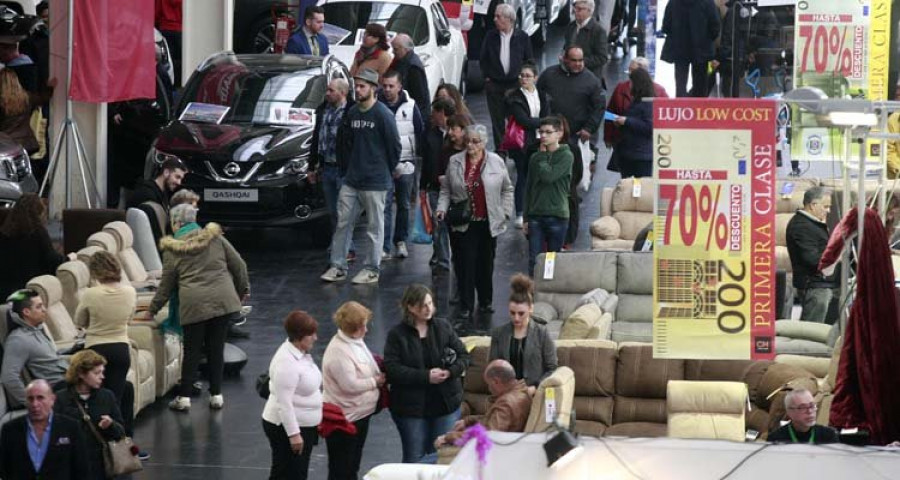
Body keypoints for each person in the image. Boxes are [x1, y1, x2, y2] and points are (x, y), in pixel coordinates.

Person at [139, 203, 250, 411]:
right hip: (222, 301)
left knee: (192, 350)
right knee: (216, 349)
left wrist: (151, 310)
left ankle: (184, 398)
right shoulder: (216, 237)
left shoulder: (174, 247)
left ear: (177, 223)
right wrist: (240, 291)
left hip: (194, 304)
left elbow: (167, 284)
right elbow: (240, 266)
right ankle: (217, 395)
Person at [320, 68, 401, 285]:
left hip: (375, 181)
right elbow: (345, 143)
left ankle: (372, 269)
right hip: (352, 179)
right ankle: (338, 266)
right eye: (356, 86)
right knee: (342, 224)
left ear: (374, 89)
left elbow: (395, 147)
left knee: (375, 228)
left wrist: (384, 169)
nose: (358, 90)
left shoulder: (383, 115)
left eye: (362, 86)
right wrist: (347, 170)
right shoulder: (353, 112)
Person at [384, 284, 470, 463]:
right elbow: (392, 370)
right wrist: (426, 376)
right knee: (414, 458)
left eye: (430, 303)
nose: (428, 308)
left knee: (440, 456)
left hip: (444, 405)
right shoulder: (397, 335)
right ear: (411, 307)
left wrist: (450, 372)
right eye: (423, 305)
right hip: (411, 409)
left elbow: (463, 356)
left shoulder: (442, 327)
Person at [436, 125, 514, 319]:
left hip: (488, 222)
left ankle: (486, 301)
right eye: (468, 141)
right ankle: (466, 305)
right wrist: (441, 208)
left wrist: (505, 212)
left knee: (486, 264)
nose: (471, 145)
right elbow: (446, 190)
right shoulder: (454, 162)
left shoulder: (496, 161)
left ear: (484, 142)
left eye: (476, 141)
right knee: (465, 265)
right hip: (463, 223)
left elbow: (507, 189)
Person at [74, 251, 136, 434]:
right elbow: (129, 319)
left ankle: (97, 443)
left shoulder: (90, 294)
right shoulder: (130, 292)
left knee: (95, 399)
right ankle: (122, 445)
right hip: (121, 350)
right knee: (114, 400)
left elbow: (79, 321)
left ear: (95, 271)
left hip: (95, 350)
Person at [321, 301, 384, 480]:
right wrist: (375, 381)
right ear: (351, 328)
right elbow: (350, 386)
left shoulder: (354, 340)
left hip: (360, 414)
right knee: (342, 469)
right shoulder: (338, 353)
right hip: (346, 419)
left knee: (352, 464)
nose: (366, 330)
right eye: (362, 326)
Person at [262, 311, 322, 480]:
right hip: (285, 428)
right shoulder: (286, 363)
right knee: (286, 474)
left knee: (297, 473)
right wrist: (294, 434)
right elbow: (284, 403)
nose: (315, 338)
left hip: (301, 425)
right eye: (311, 335)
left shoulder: (298, 353)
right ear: (299, 336)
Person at [53, 350, 129, 480]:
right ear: (81, 374)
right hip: (72, 466)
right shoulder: (60, 399)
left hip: (100, 466)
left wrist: (110, 425)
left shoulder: (107, 396)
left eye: (102, 372)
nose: (102, 377)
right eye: (97, 373)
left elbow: (121, 433)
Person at [0, 380, 91, 480]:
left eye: (40, 398)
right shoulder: (10, 429)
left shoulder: (71, 427)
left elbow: (81, 469)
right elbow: (5, 469)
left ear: (52, 399)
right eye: (30, 399)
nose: (35, 404)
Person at [379, 70, 426, 260]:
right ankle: (384, 246)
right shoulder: (377, 105)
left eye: (392, 86)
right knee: (385, 205)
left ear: (400, 86)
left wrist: (418, 160)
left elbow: (419, 131)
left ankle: (400, 241)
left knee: (405, 204)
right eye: (385, 86)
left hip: (406, 161)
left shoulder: (411, 105)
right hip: (383, 164)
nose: (388, 89)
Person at [433, 359, 532, 447]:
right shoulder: (521, 390)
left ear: (496, 382)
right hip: (503, 444)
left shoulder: (506, 404)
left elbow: (487, 435)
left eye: (488, 384)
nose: (489, 389)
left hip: (493, 452)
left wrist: (448, 437)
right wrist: (468, 421)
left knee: (425, 461)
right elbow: (493, 420)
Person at [309, 78, 354, 254]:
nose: (327, 93)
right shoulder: (323, 111)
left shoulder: (351, 112)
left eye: (331, 90)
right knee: (333, 211)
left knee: (345, 211)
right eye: (327, 90)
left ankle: (347, 247)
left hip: (343, 168)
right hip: (326, 167)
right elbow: (316, 139)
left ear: (342, 92)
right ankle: (338, 244)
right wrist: (312, 165)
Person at [523, 116, 574, 274]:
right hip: (536, 216)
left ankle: (550, 295)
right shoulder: (535, 158)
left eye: (548, 132)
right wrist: (526, 217)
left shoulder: (566, 156)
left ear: (559, 134)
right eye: (541, 132)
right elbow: (529, 187)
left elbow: (548, 177)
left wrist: (543, 156)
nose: (543, 136)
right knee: (535, 261)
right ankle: (534, 295)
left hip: (557, 215)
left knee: (552, 262)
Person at [1, 289, 69, 406]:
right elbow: (9, 377)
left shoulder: (38, 329)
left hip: (68, 380)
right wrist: (34, 403)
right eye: (39, 307)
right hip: (59, 389)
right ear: (26, 312)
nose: (44, 310)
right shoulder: (18, 339)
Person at [480, 4, 534, 149]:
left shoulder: (522, 37)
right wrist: (487, 78)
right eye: (495, 16)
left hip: (515, 85)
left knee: (516, 119)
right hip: (495, 85)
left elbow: (529, 60)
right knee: (497, 122)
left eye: (498, 16)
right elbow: (483, 59)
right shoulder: (490, 36)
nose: (495, 19)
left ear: (509, 19)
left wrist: (525, 80)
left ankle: (517, 149)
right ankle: (501, 151)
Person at [0, 193, 73, 299]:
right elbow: (51, 261)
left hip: (4, 292)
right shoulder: (37, 233)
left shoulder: (4, 232)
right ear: (39, 213)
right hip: (29, 291)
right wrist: (69, 258)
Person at [489, 274, 557, 388]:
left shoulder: (542, 333)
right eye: (512, 313)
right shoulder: (499, 334)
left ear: (531, 309)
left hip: (533, 393)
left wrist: (535, 387)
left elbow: (552, 368)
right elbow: (493, 367)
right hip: (507, 392)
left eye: (521, 313)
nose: (516, 318)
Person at [604, 57, 668, 172]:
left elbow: (658, 123)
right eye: (629, 70)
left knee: (638, 184)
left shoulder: (658, 93)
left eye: (633, 71)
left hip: (644, 150)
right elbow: (610, 111)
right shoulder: (621, 88)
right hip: (624, 145)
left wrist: (626, 121)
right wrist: (608, 137)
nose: (630, 74)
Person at [786, 187, 839, 324]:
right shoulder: (802, 226)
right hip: (814, 287)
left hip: (820, 285)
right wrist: (836, 255)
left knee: (819, 330)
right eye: (826, 206)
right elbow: (812, 259)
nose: (828, 210)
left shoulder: (811, 224)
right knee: (811, 333)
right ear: (813, 205)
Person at [504, 63, 548, 229]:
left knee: (539, 176)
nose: (524, 79)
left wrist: (541, 124)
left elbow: (546, 113)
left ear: (535, 78)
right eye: (522, 75)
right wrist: (543, 123)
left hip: (540, 140)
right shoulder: (514, 97)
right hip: (522, 143)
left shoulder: (542, 95)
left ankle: (537, 210)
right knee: (523, 175)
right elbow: (524, 121)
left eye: (528, 76)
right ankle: (521, 213)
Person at [537, 45, 605, 146]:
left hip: (577, 135)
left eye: (580, 60)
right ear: (565, 59)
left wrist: (588, 129)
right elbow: (537, 96)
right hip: (552, 132)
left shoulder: (592, 81)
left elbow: (599, 107)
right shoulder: (549, 74)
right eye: (574, 60)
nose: (578, 64)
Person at [421, 98, 459, 272]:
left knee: (456, 225)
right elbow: (426, 161)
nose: (432, 116)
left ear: (442, 113)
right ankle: (443, 259)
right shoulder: (431, 132)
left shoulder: (458, 133)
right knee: (439, 224)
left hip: (456, 188)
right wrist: (423, 186)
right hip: (435, 187)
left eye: (435, 113)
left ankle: (454, 256)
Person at [660, 0, 720, 97]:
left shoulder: (673, 2)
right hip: (702, 50)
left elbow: (666, 26)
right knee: (700, 85)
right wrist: (707, 40)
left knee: (680, 84)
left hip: (679, 49)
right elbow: (715, 27)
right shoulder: (707, 3)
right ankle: (698, 108)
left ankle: (681, 107)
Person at [126, 157, 188, 243]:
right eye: (177, 177)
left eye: (181, 179)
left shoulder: (162, 194)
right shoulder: (146, 195)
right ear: (166, 172)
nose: (179, 182)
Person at [612, 68, 655, 178]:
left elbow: (649, 127)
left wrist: (626, 121)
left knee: (638, 189)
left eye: (631, 82)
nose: (629, 85)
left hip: (640, 156)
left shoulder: (648, 103)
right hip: (631, 153)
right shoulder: (637, 101)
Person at [0, 68, 54, 155]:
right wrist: (50, 87)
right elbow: (43, 98)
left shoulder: (2, 102)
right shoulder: (27, 97)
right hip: (27, 143)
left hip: (7, 145)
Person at [767, 388, 839, 444]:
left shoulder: (828, 436)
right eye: (803, 407)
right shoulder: (776, 439)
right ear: (789, 412)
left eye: (812, 406)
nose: (810, 411)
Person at [564, 0, 609, 81]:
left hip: (590, 77)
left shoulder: (598, 31)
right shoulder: (571, 27)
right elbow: (567, 47)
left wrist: (578, 62)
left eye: (580, 9)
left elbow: (602, 57)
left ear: (589, 11)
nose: (575, 11)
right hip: (570, 75)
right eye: (575, 8)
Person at [390, 33, 430, 117]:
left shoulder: (413, 68)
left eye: (396, 49)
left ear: (406, 49)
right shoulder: (400, 61)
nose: (393, 52)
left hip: (412, 114)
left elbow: (419, 97)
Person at [155, 0, 183, 87]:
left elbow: (157, 12)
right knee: (182, 61)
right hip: (180, 29)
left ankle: (169, 86)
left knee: (167, 61)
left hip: (165, 28)